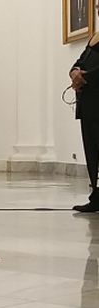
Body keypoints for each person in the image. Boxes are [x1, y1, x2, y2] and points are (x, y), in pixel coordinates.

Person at [70, 14, 99, 212]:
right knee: (92, 150)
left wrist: (85, 77)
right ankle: (96, 196)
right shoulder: (94, 36)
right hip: (88, 104)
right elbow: (78, 62)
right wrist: (74, 72)